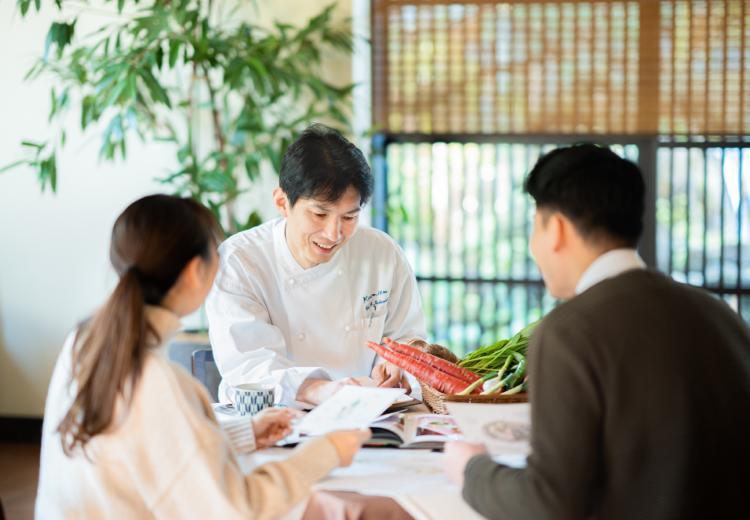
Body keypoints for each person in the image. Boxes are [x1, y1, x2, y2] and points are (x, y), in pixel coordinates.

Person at [443, 144, 750, 519]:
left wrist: (471, 470)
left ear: (554, 228)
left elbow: (550, 504)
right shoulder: (719, 314)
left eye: (534, 225)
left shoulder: (569, 332)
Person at [36, 195, 370, 518]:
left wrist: (244, 432)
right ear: (197, 270)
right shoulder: (157, 381)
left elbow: (143, 450)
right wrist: (326, 453)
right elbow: (237, 509)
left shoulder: (83, 342)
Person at [206, 124, 426, 407]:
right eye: (319, 214)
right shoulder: (240, 262)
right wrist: (323, 391)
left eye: (349, 218)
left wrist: (397, 364)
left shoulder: (381, 253)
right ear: (282, 202)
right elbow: (249, 367)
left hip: (368, 418)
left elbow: (408, 336)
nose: (333, 234)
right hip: (273, 419)